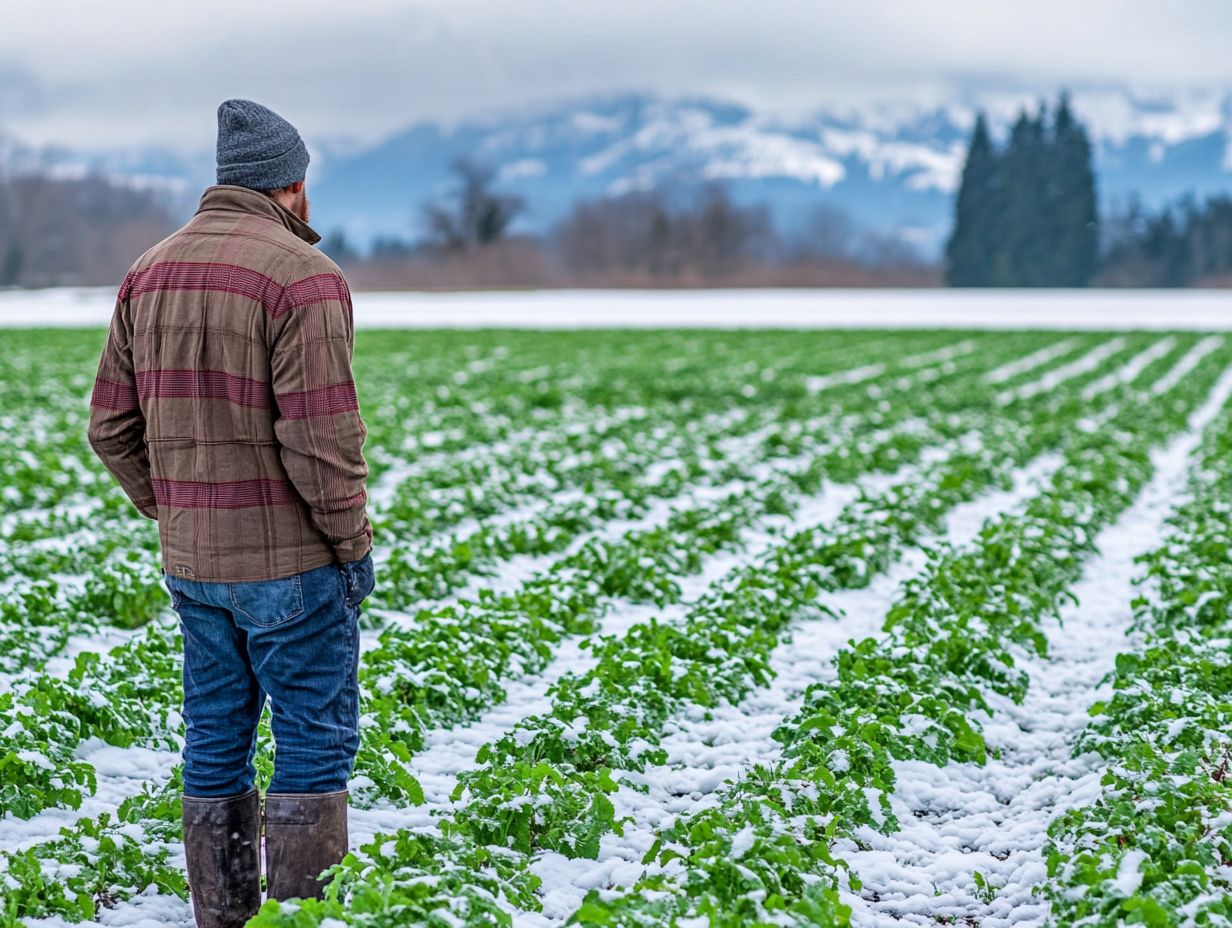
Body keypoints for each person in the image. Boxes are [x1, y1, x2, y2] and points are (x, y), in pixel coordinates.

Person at [86, 98, 374, 928]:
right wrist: (350, 547)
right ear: (291, 184)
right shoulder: (304, 277)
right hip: (292, 569)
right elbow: (324, 442)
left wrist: (172, 510)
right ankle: (300, 920)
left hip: (195, 569)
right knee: (315, 746)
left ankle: (225, 919)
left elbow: (109, 427)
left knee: (214, 740)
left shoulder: (149, 270)